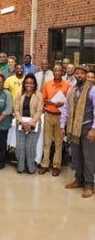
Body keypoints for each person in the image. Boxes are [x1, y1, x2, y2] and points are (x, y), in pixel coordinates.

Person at [60, 65, 95, 198]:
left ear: (86, 75)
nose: (79, 75)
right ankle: (79, 180)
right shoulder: (72, 89)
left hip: (87, 128)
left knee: (88, 158)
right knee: (76, 156)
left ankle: (89, 185)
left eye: (82, 73)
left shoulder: (92, 90)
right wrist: (62, 126)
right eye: (77, 73)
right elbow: (65, 108)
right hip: (74, 129)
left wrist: (93, 129)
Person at [39, 65, 70, 176]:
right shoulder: (47, 84)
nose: (57, 72)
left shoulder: (67, 86)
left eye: (60, 70)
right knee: (46, 142)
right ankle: (45, 165)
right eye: (55, 70)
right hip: (48, 114)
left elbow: (70, 102)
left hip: (61, 117)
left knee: (58, 142)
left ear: (63, 72)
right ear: (53, 72)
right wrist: (50, 102)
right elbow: (43, 99)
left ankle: (56, 166)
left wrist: (63, 103)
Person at [14, 73, 43, 174]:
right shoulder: (19, 94)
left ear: (35, 84)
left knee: (30, 147)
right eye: (27, 82)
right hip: (20, 124)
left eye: (31, 83)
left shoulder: (39, 95)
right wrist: (22, 123)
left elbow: (39, 111)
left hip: (34, 125)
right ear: (24, 84)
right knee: (20, 147)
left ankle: (31, 167)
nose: (29, 85)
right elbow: (16, 110)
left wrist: (30, 124)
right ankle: (20, 167)